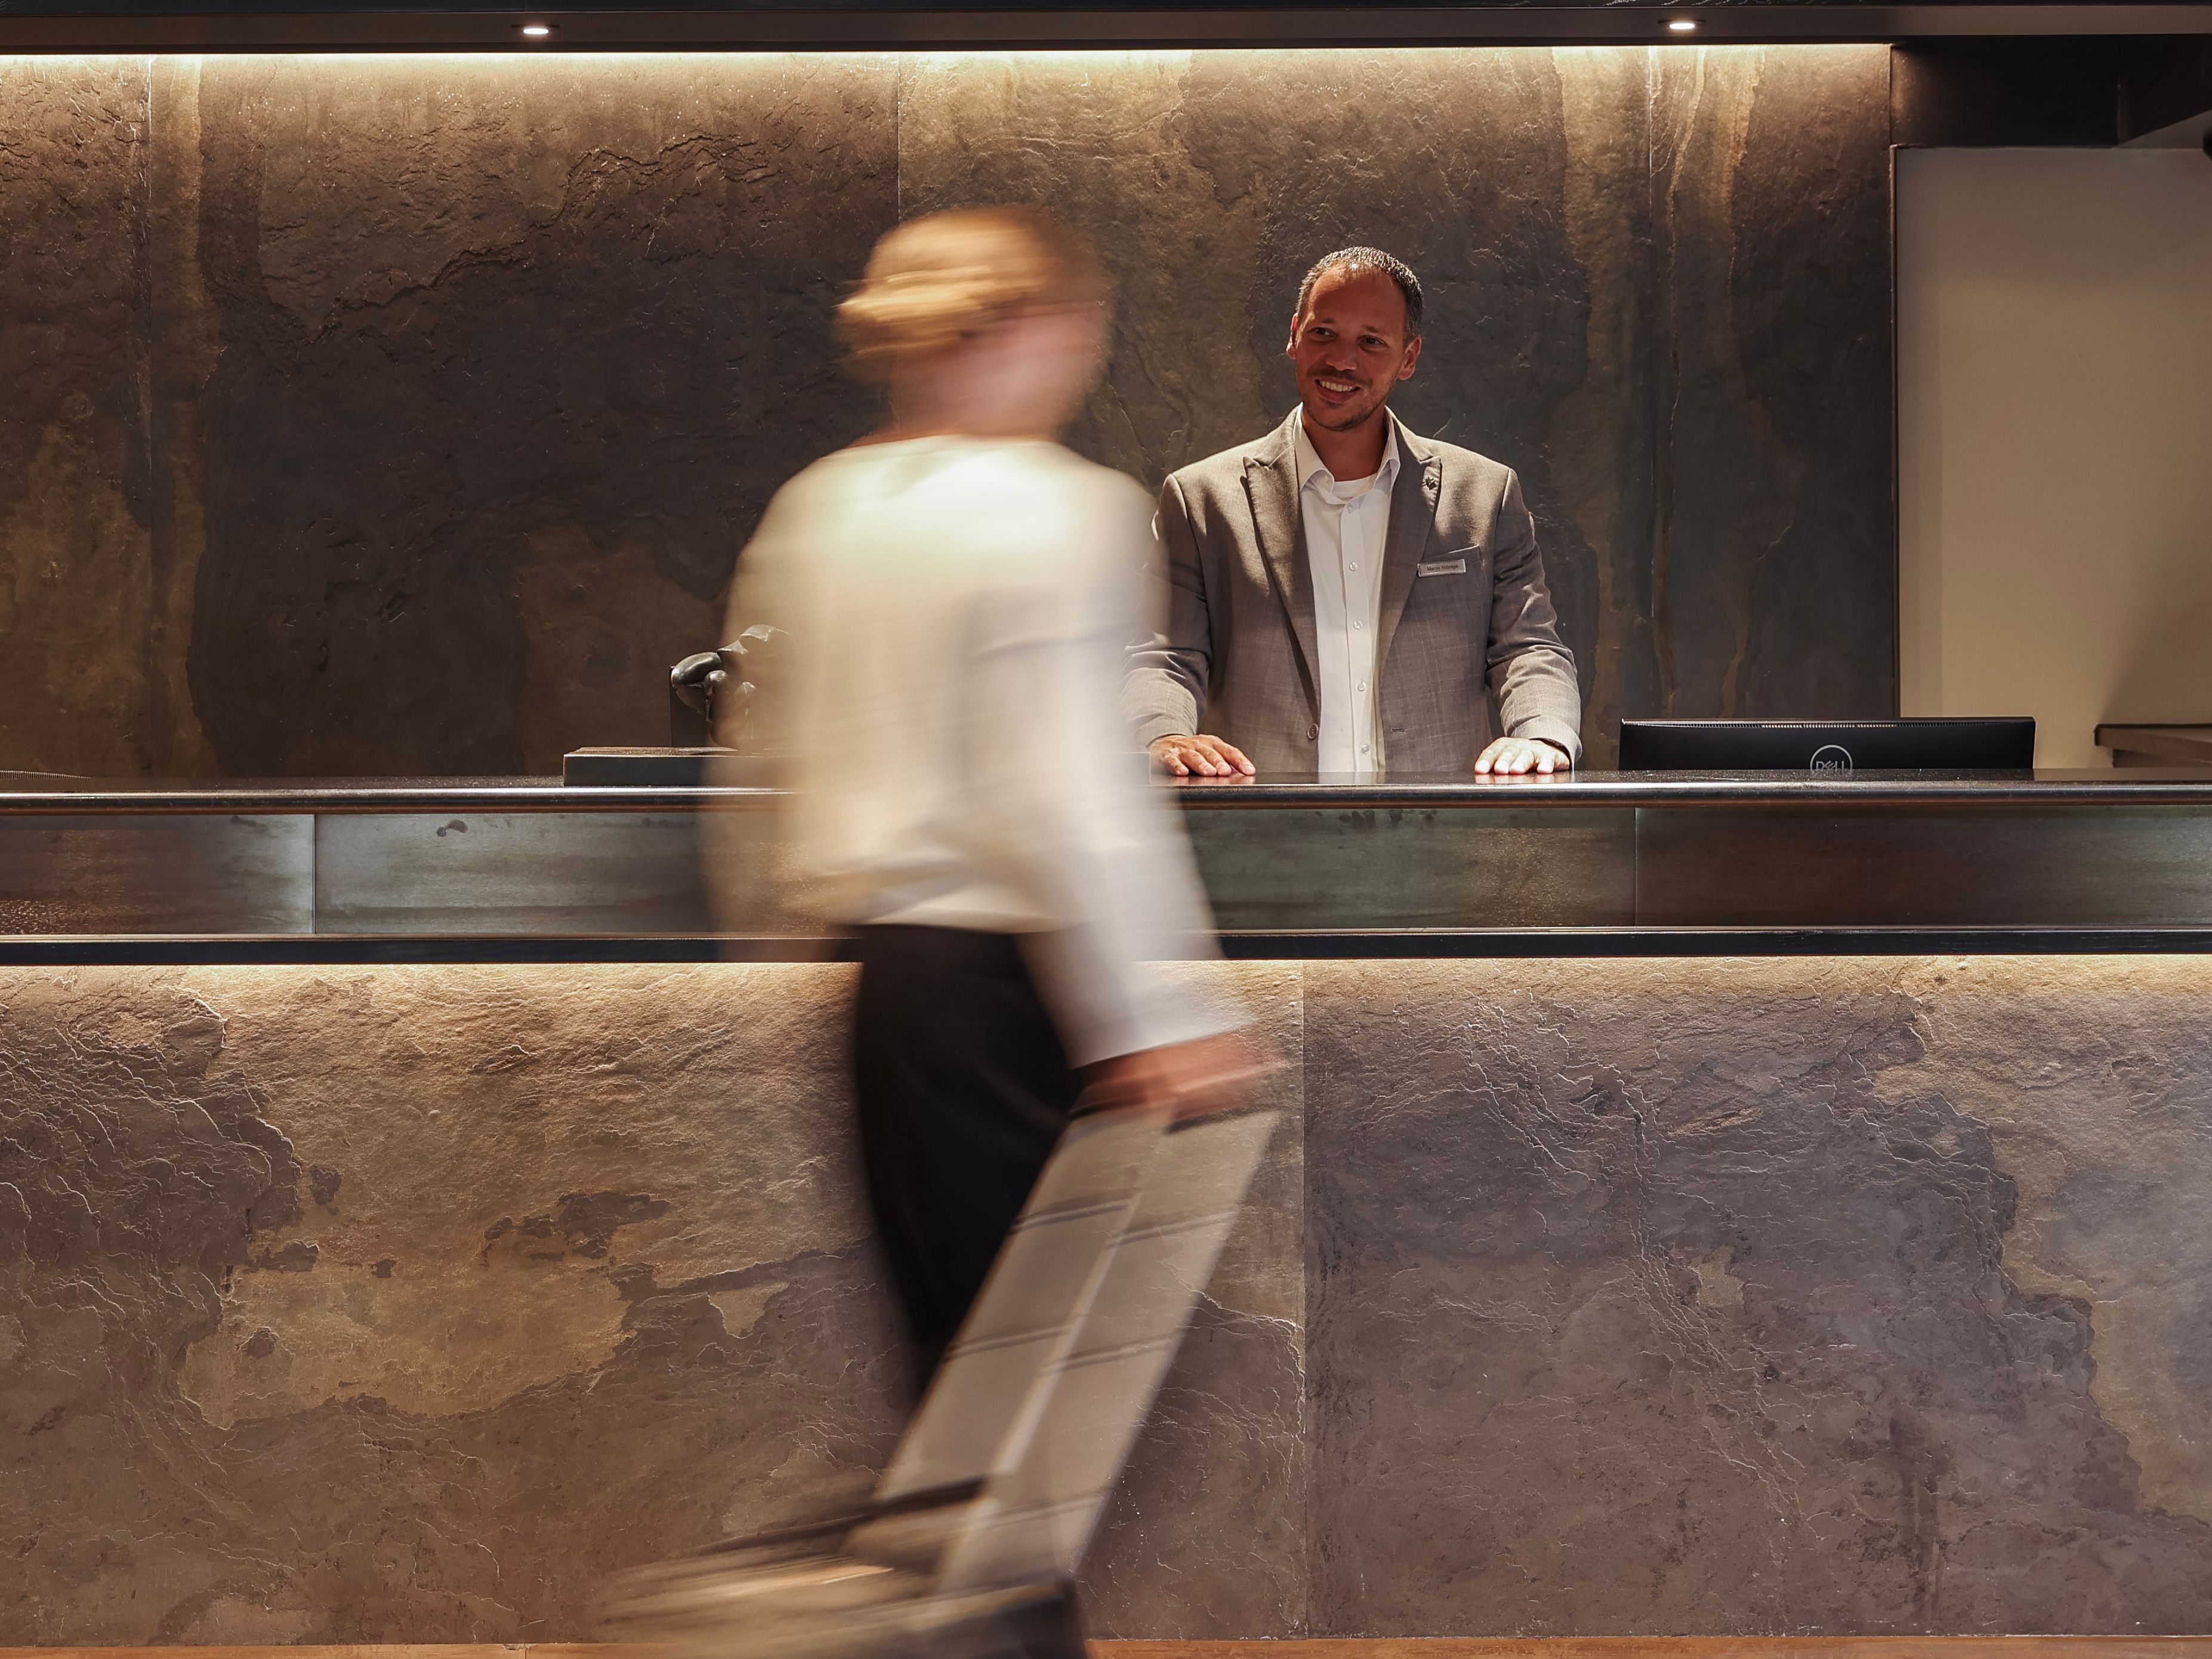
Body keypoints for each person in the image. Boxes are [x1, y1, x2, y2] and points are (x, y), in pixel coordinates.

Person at [723, 206, 1260, 1385]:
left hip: (885, 998)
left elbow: (761, 771)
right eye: (1081, 334)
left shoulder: (823, 505)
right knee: (1014, 1413)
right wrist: (1149, 1017)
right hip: (1003, 992)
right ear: (1027, 329)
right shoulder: (1054, 504)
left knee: (953, 1373)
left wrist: (775, 961)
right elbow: (1063, 780)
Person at [1123, 246, 1583, 780]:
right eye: (1324, 333)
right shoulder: (1200, 499)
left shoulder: (1486, 495)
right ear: (1294, 334)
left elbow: (1528, 649)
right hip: (1263, 837)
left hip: (1439, 837)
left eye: (1370, 341)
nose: (1342, 360)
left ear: (1408, 357)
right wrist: (1163, 733)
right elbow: (1164, 657)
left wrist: (1542, 734)